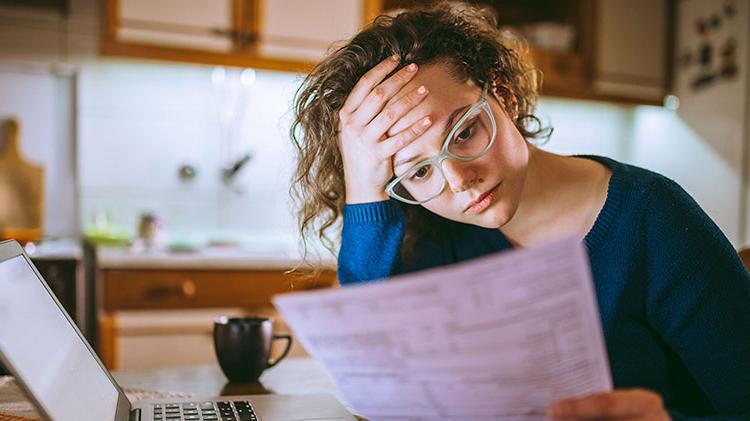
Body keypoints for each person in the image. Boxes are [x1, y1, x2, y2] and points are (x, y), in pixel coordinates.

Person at [289, 1, 750, 419]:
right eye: (419, 173)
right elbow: (374, 366)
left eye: (465, 132)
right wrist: (366, 189)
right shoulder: (433, 235)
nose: (460, 181)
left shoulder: (653, 218)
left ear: (504, 96)